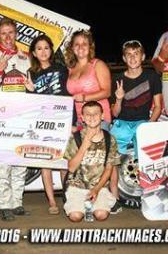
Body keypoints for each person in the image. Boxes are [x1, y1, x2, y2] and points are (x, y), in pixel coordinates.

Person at [0, 17, 31, 221]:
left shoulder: (26, 57)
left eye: (11, 32)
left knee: (21, 163)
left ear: (16, 34)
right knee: (3, 165)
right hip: (1, 119)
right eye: (4, 33)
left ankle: (17, 202)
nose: (8, 37)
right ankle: (4, 205)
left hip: (23, 118)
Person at [109, 40, 162, 213]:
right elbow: (114, 113)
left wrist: (149, 127)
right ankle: (114, 196)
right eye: (129, 55)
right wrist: (118, 98)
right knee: (112, 158)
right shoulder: (118, 79)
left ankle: (152, 194)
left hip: (143, 123)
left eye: (136, 54)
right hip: (122, 123)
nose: (133, 58)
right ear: (124, 58)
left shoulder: (152, 76)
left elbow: (158, 106)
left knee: (148, 159)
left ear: (143, 56)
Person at [23, 34, 69, 215]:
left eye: (46, 48)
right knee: (46, 162)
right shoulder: (31, 73)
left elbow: (68, 94)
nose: (43, 51)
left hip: (62, 119)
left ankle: (66, 196)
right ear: (34, 52)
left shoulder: (61, 69)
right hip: (42, 122)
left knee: (63, 162)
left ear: (51, 50)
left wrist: (71, 121)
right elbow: (31, 104)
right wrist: (30, 90)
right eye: (39, 48)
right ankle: (51, 201)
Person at [64, 101, 120, 222]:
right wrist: (85, 143)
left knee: (101, 215)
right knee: (75, 217)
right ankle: (83, 206)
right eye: (88, 114)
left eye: (95, 113)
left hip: (99, 187)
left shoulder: (110, 139)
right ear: (82, 118)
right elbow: (71, 168)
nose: (92, 117)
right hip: (77, 186)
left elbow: (109, 169)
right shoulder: (75, 138)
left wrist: (96, 189)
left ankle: (94, 204)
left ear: (102, 116)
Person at [65, 30, 112, 130]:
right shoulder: (69, 69)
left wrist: (84, 97)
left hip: (99, 119)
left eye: (84, 44)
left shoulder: (98, 65)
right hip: (80, 120)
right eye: (77, 44)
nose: (80, 47)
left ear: (90, 47)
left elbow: (107, 92)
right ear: (72, 48)